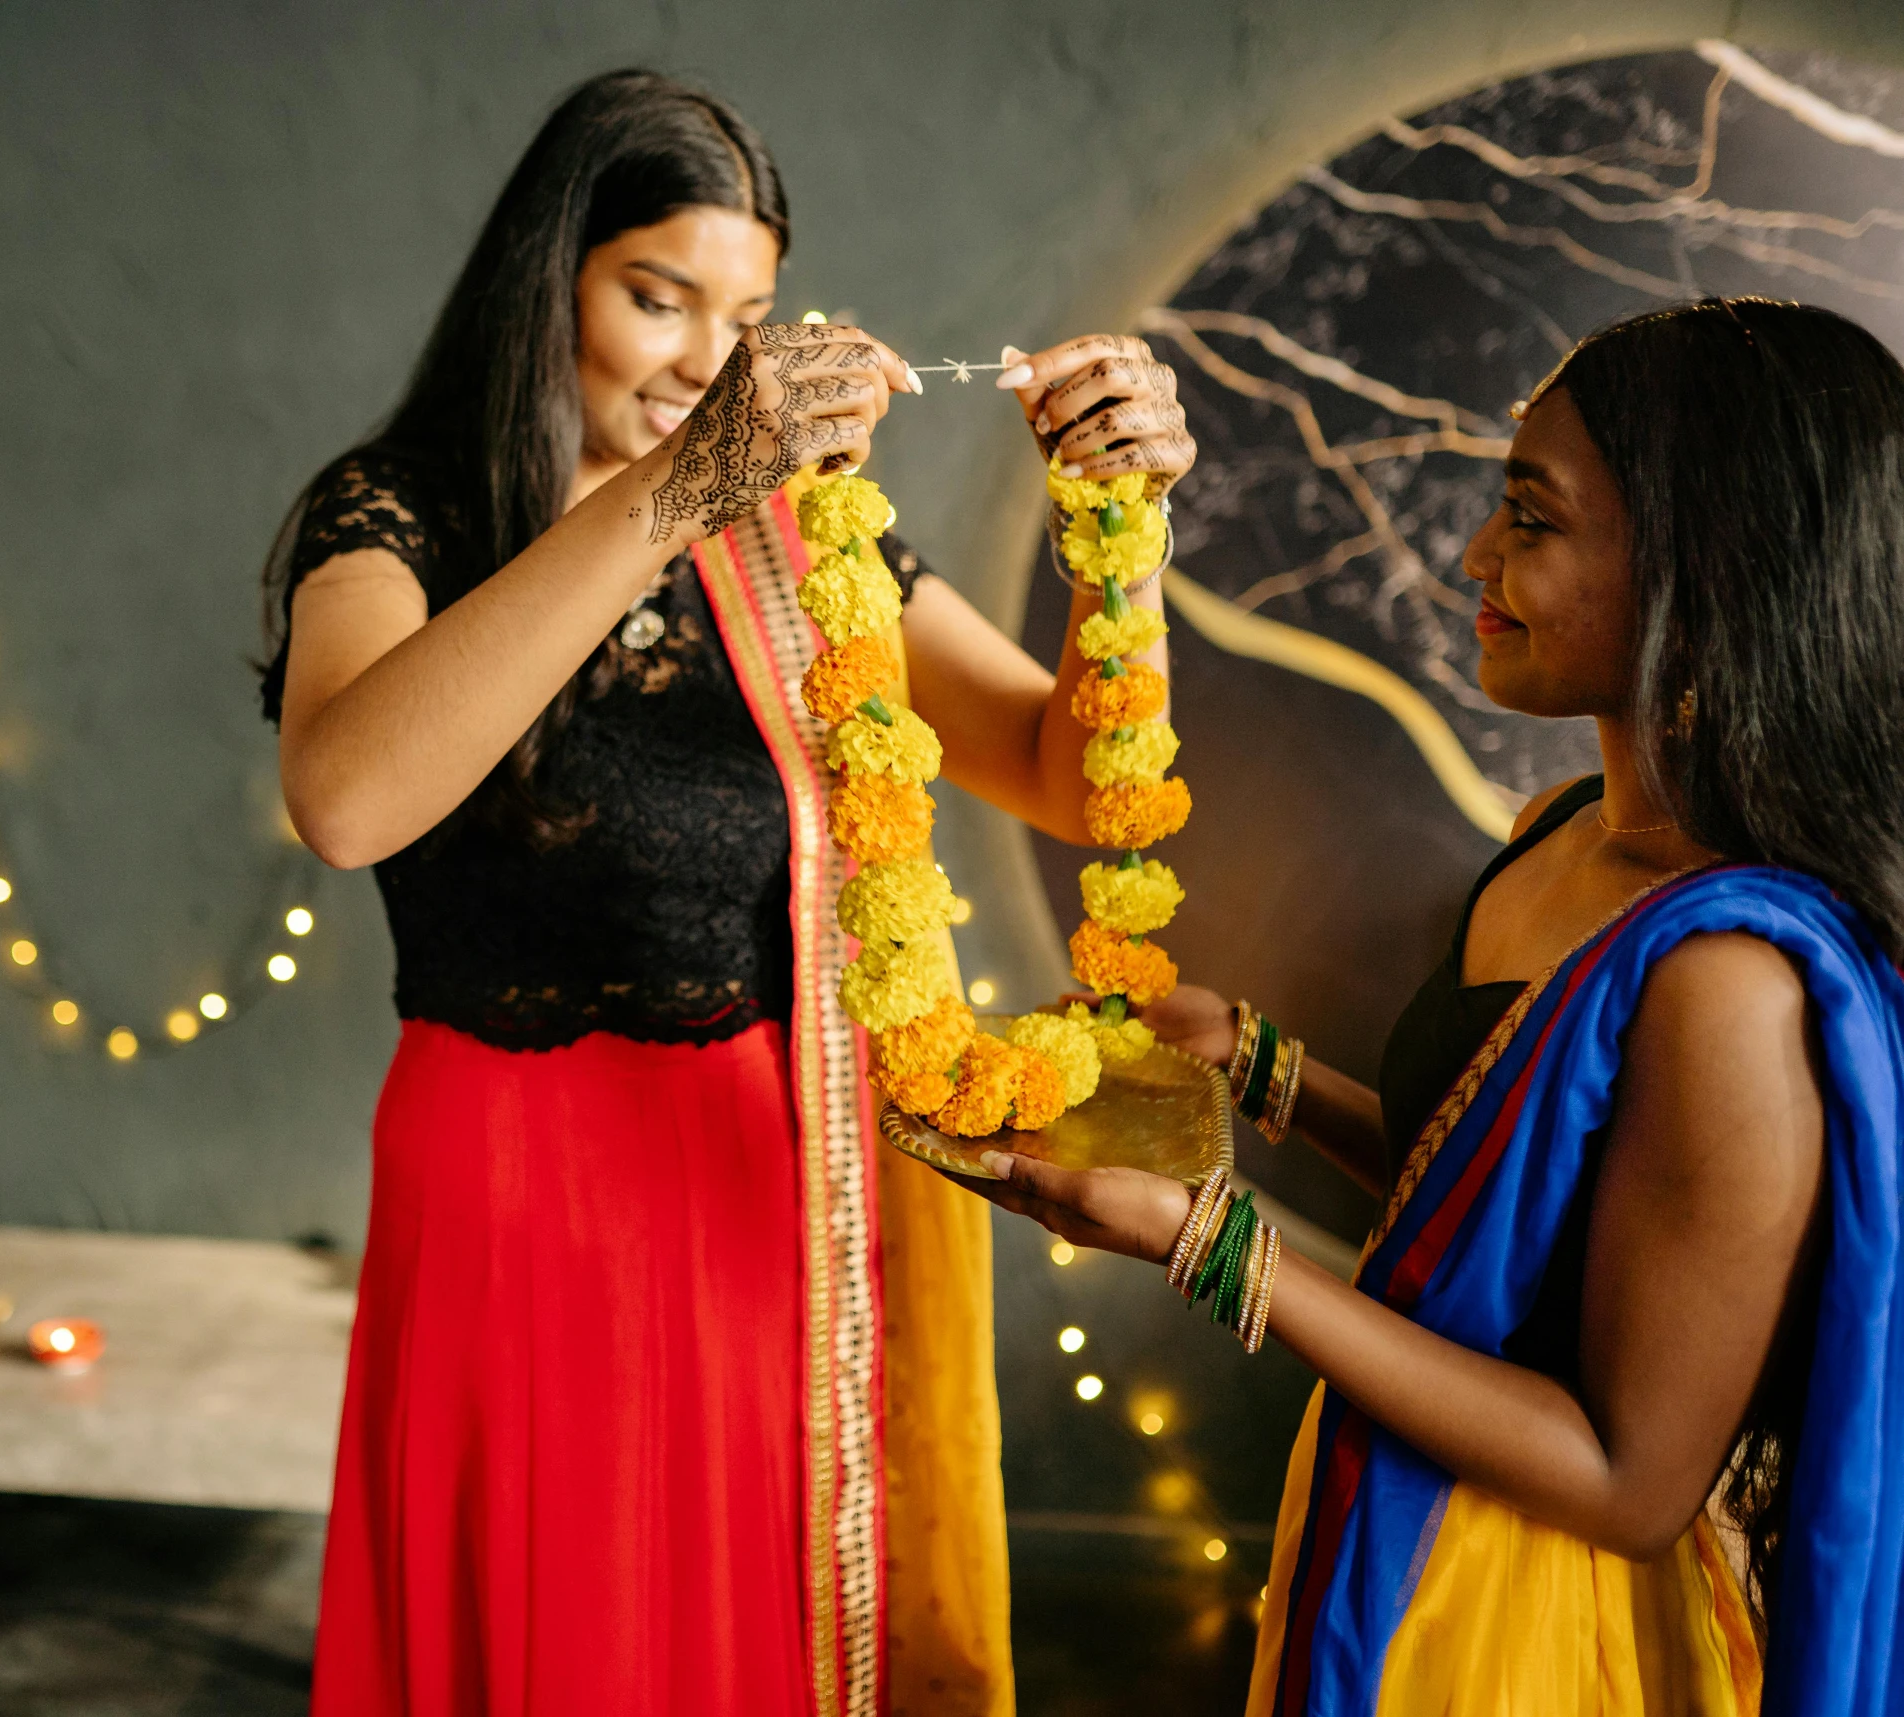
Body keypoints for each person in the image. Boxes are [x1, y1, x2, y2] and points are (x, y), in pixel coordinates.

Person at [260, 69, 1193, 1717]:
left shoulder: (789, 531)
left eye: (742, 315)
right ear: (543, 282)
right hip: (526, 1211)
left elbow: (1054, 771)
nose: (704, 358)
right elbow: (345, 800)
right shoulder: (403, 514)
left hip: (774, 1195)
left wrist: (1115, 530)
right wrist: (673, 496)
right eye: (655, 297)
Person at [961, 297, 1904, 1713]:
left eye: (1530, 523)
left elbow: (1623, 1477)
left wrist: (1211, 1248)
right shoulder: (1566, 830)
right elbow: (1509, 1228)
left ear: (1703, 574)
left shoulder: (1731, 984)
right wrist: (1262, 1072)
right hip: (1384, 1524)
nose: (1474, 556)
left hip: (1545, 1628)